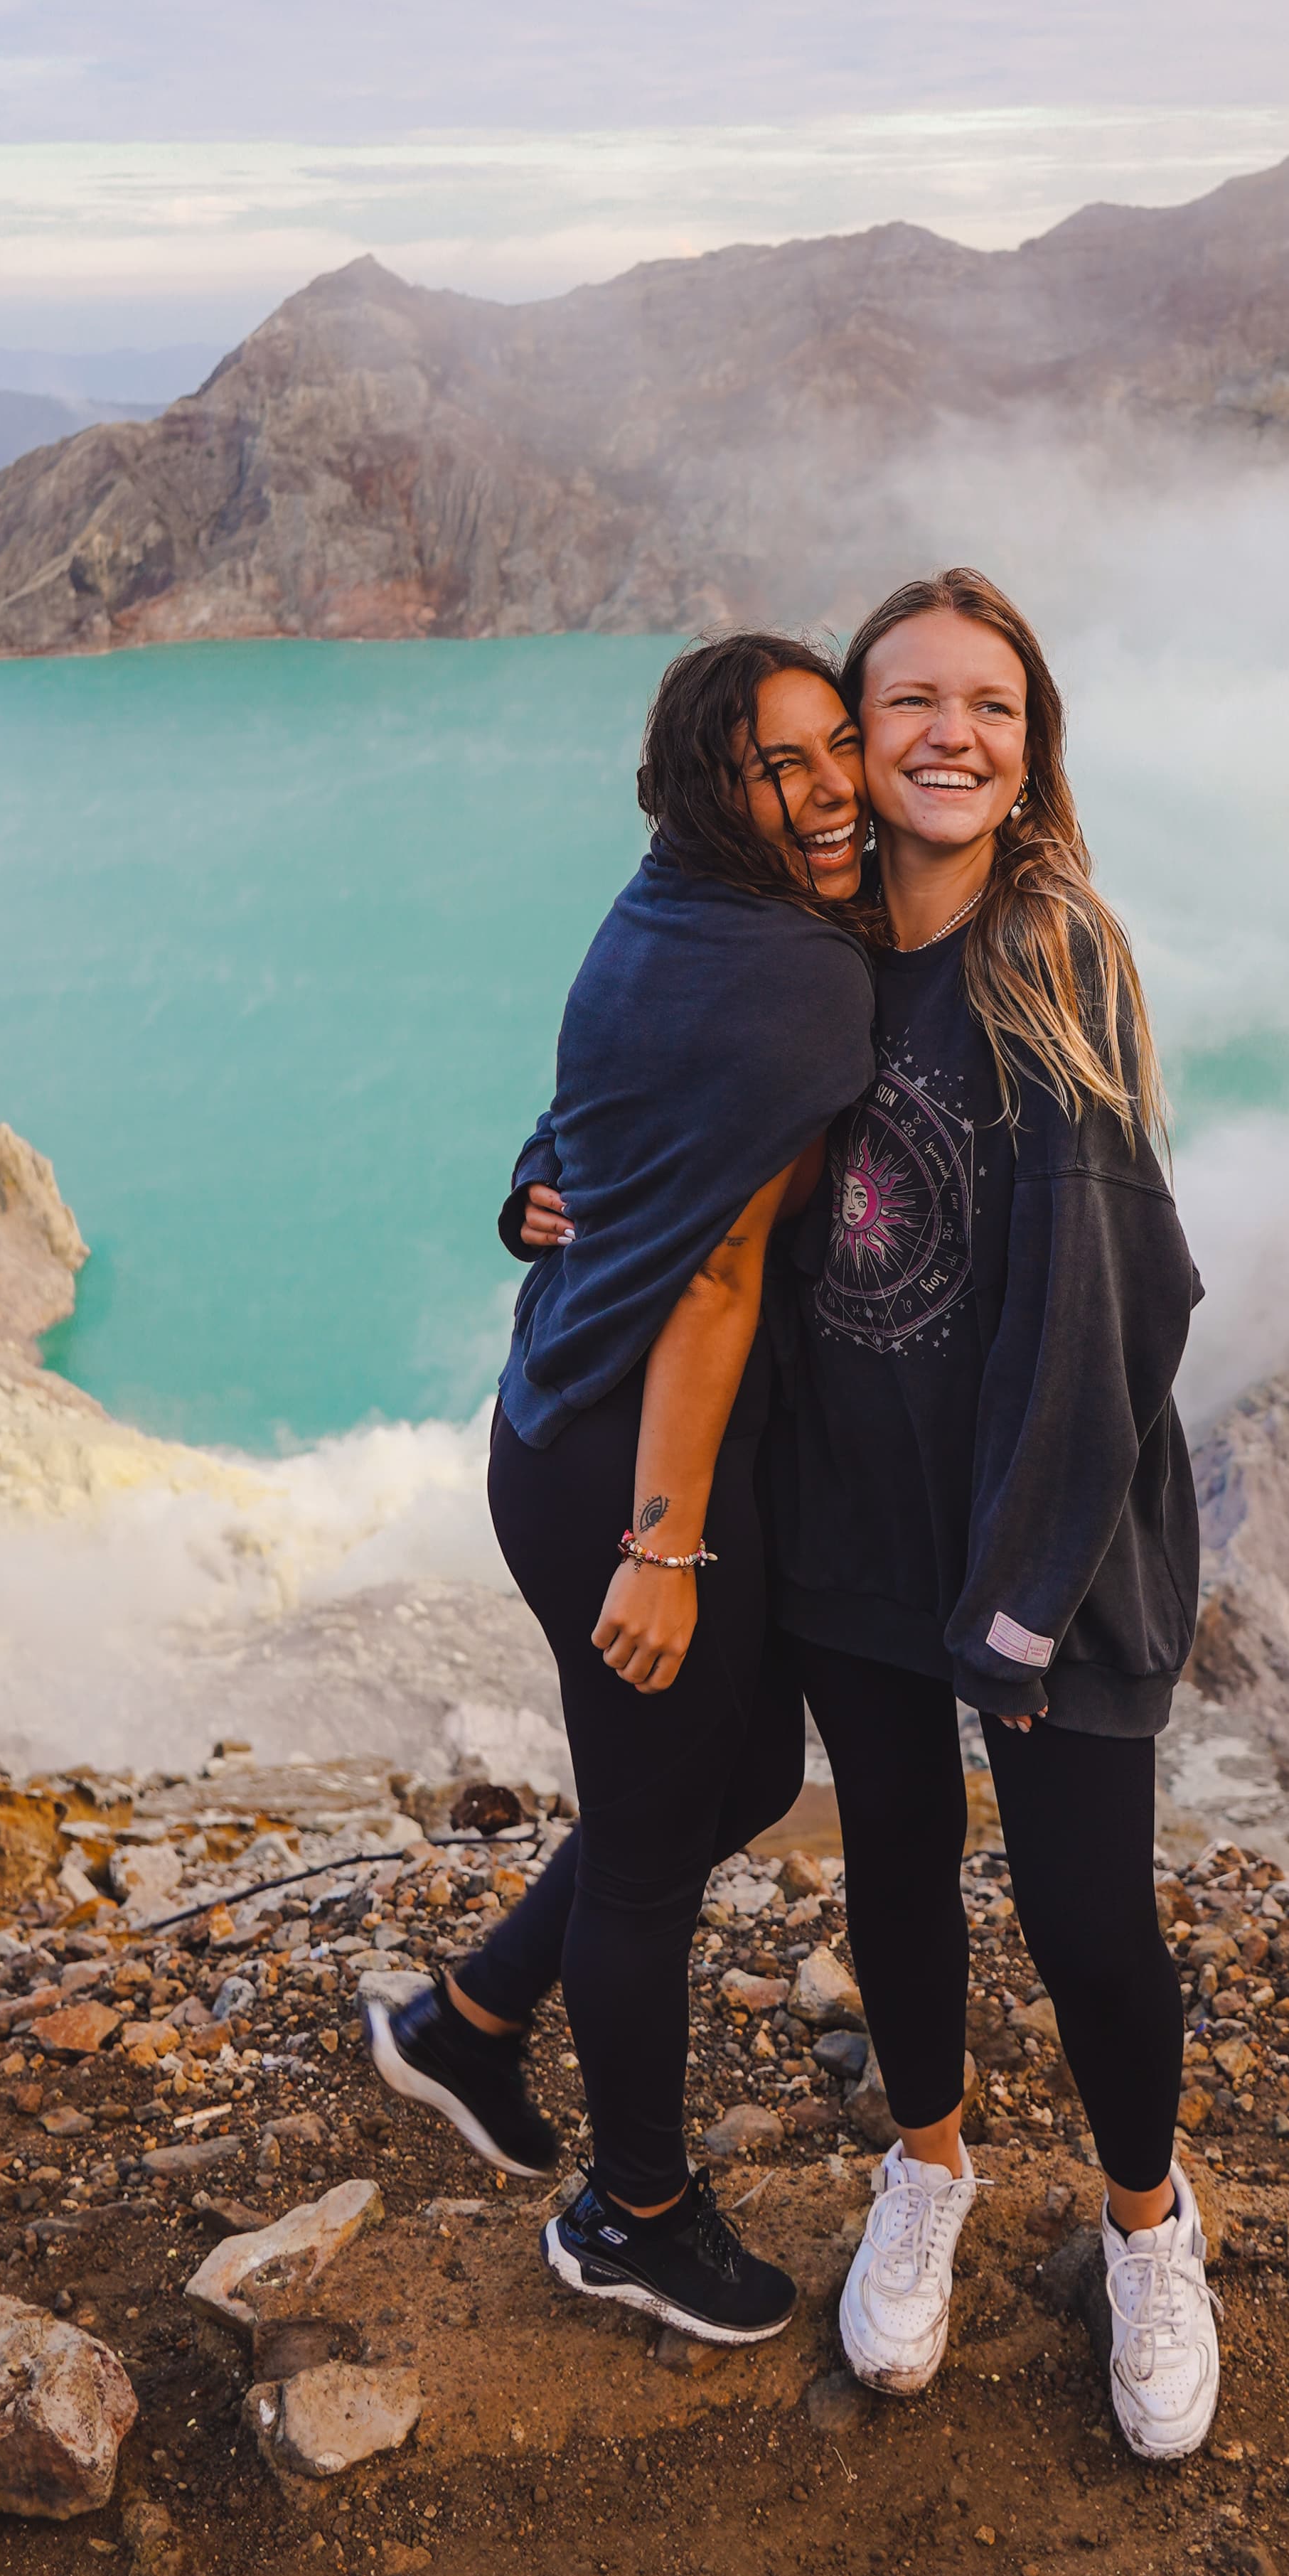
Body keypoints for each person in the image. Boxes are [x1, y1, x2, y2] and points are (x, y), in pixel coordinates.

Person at [364, 632, 874, 2347]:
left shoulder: (676, 902)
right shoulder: (797, 975)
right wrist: (663, 1545)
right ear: (705, 791)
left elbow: (599, 1106)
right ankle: (632, 2214)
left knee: (739, 1777)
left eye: (837, 745)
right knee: (655, 1847)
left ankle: (465, 2023)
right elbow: (718, 1278)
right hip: (623, 1465)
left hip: (575, 1425)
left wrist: (538, 1174)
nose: (830, 790)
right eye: (780, 767)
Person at [777, 568, 1215, 2459]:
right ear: (855, 740)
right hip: (858, 1516)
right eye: (911, 701)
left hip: (1055, 1536)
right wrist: (546, 1186)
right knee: (893, 1861)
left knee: (1086, 1911)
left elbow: (1118, 1291)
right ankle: (928, 2165)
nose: (950, 733)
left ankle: (1149, 2226)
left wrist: (1024, 1595)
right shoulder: (800, 946)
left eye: (992, 707)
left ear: (1031, 757)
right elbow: (655, 1087)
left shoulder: (1055, 956)